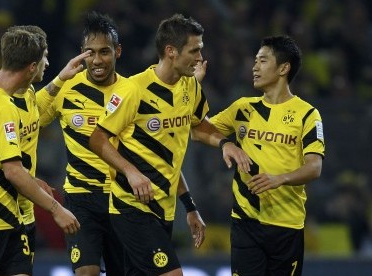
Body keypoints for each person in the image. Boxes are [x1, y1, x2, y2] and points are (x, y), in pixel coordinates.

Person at [39, 11, 207, 275]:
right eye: (90, 52)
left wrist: (189, 205)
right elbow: (29, 118)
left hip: (123, 198)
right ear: (81, 53)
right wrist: (59, 79)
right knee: (87, 272)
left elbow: (161, 156)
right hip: (82, 197)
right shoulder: (66, 89)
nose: (97, 60)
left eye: (104, 52)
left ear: (118, 51)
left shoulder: (133, 92)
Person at [89, 13, 252, 275]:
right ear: (171, 51)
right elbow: (97, 138)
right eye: (194, 50)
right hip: (131, 207)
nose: (200, 57)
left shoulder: (190, 87)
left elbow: (198, 127)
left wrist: (224, 145)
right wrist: (131, 172)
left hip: (164, 209)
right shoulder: (133, 90)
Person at [0, 25, 91, 267]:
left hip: (17, 217)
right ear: (31, 66)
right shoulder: (3, 108)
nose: (47, 62)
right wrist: (56, 209)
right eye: (44, 57)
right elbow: (12, 171)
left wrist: (60, 79)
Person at [208, 35, 325, 275]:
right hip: (245, 221)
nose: (254, 67)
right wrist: (226, 144)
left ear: (284, 68)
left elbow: (314, 167)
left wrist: (278, 178)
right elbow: (198, 129)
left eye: (262, 61)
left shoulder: (307, 114)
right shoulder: (242, 108)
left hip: (286, 226)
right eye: (255, 61)